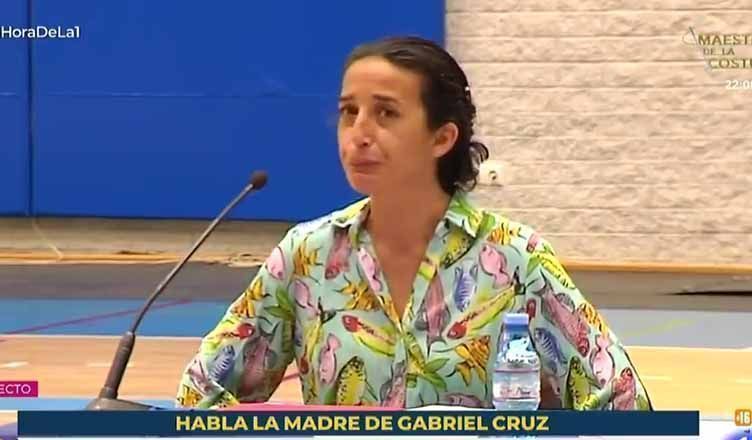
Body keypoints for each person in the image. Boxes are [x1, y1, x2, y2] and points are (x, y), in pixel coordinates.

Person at [176, 36, 653, 410]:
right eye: (349, 112)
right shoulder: (306, 255)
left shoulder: (515, 259)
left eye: (385, 113)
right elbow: (201, 392)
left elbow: (623, 402)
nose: (358, 134)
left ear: (442, 138)